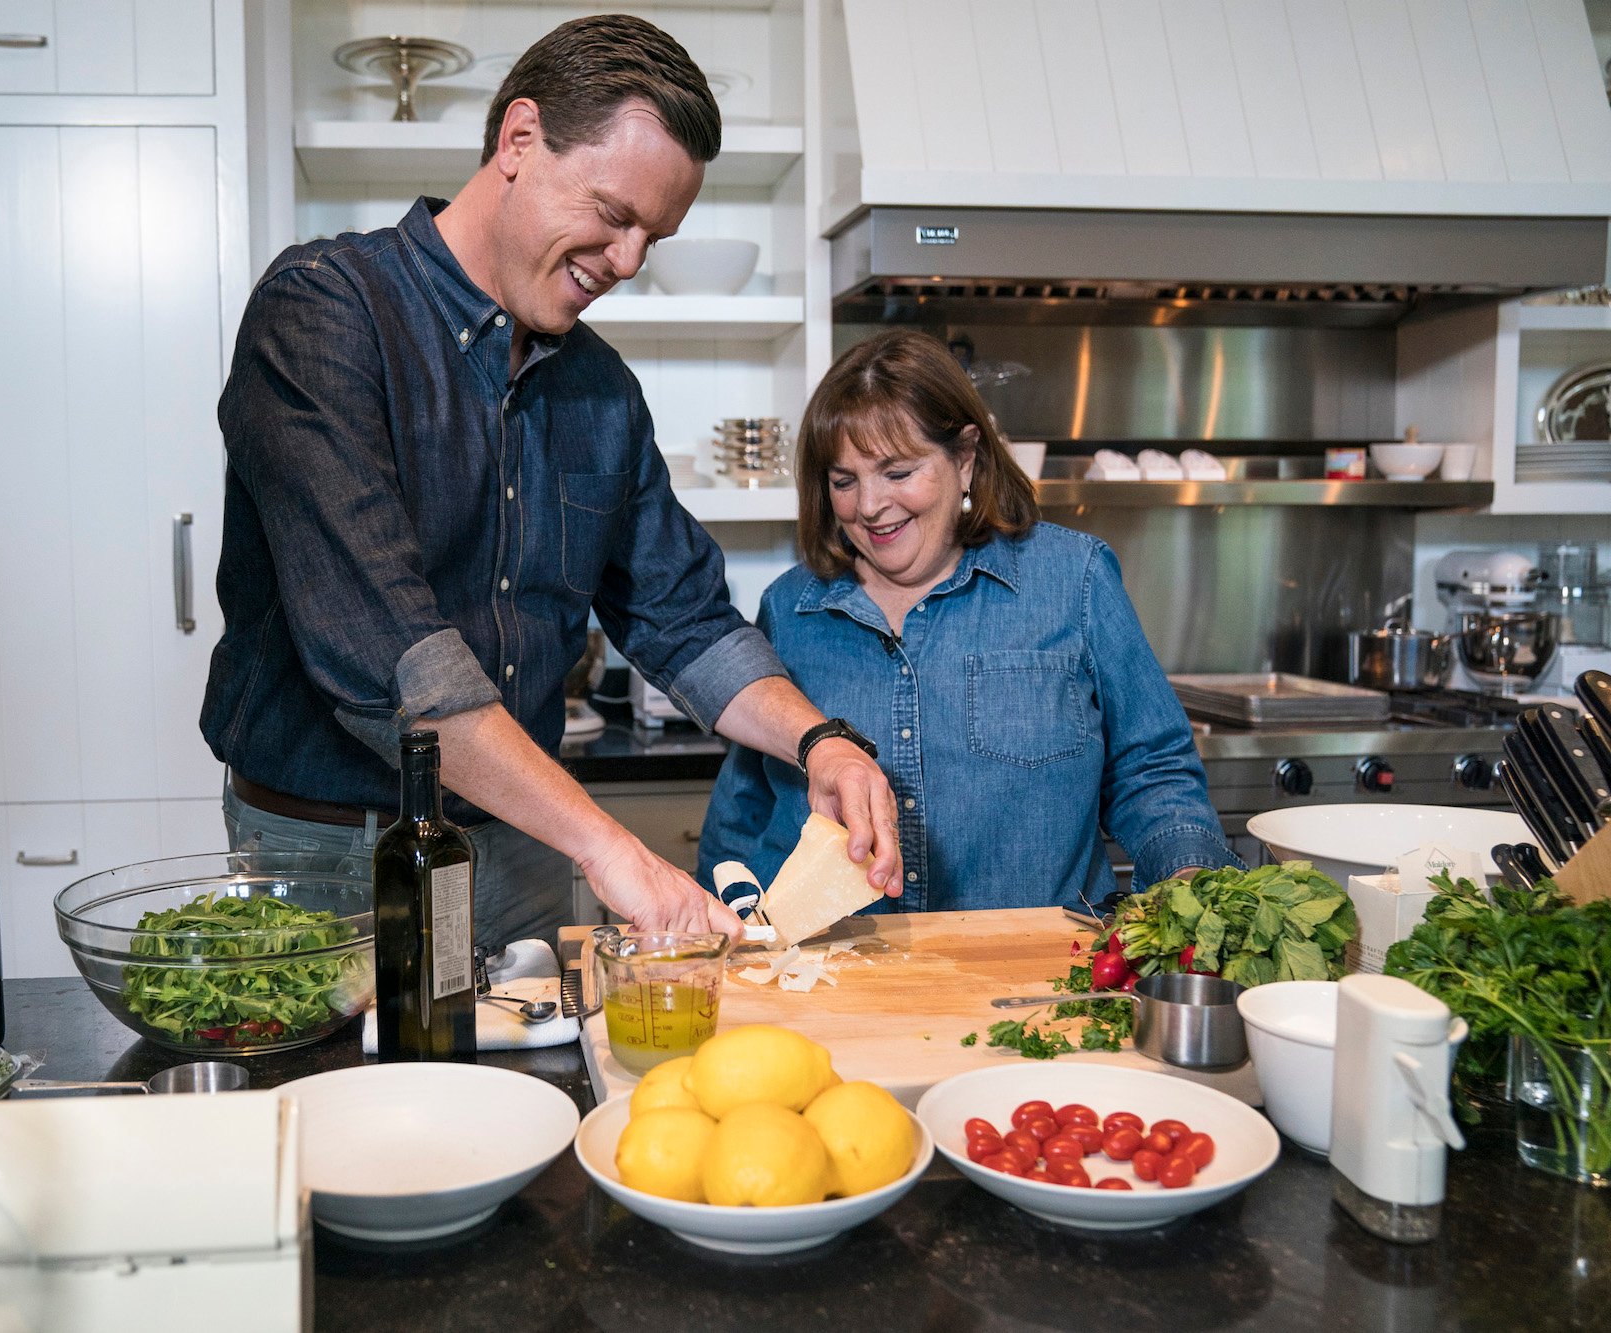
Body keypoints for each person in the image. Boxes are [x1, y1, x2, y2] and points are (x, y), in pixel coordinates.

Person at [204, 15, 901, 950]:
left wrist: (822, 741)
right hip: (328, 859)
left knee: (531, 1090)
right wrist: (608, 845)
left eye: (653, 236)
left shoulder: (601, 389)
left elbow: (684, 620)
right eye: (614, 215)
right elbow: (398, 665)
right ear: (520, 140)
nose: (626, 263)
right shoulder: (325, 312)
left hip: (522, 849)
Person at [698, 330, 1238, 911]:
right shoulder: (790, 607)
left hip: (1038, 978)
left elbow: (1152, 768)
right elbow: (745, 807)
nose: (871, 505)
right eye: (844, 481)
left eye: (898, 473)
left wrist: (1187, 878)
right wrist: (719, 924)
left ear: (965, 459)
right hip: (839, 981)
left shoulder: (1072, 579)